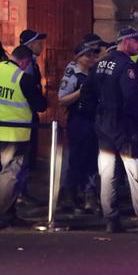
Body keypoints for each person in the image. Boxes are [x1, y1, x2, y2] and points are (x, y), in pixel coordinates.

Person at [80, 26, 138, 233]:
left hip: (103, 124)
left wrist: (96, 113)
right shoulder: (126, 65)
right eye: (137, 41)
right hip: (123, 126)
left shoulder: (101, 63)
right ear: (127, 41)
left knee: (107, 173)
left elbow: (87, 91)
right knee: (136, 172)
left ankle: (111, 220)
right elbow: (131, 97)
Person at [0, 45, 47, 229]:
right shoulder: (23, 78)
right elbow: (40, 105)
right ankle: (4, 214)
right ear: (24, 61)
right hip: (14, 135)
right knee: (10, 174)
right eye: (27, 64)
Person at [58, 42, 100, 213]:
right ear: (78, 57)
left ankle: (89, 194)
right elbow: (62, 99)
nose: (91, 58)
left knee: (91, 158)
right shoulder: (73, 74)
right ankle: (70, 194)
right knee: (76, 158)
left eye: (93, 55)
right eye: (87, 55)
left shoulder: (93, 72)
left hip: (93, 120)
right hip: (78, 120)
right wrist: (81, 91)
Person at [16, 29, 46, 199]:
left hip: (27, 114)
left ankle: (22, 190)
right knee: (24, 156)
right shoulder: (26, 65)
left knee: (26, 155)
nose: (40, 46)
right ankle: (20, 192)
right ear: (30, 45)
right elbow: (28, 89)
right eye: (37, 43)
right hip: (24, 115)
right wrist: (39, 103)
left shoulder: (31, 62)